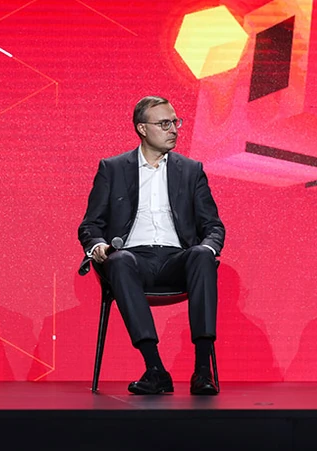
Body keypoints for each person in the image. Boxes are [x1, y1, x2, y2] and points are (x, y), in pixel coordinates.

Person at [78, 96, 225, 395]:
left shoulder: (191, 170)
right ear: (142, 129)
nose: (174, 129)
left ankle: (202, 370)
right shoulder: (113, 168)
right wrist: (98, 246)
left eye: (175, 122)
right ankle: (154, 368)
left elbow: (213, 227)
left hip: (178, 261)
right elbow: (90, 226)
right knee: (119, 261)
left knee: (202, 255)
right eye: (164, 123)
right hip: (134, 261)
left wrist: (209, 247)